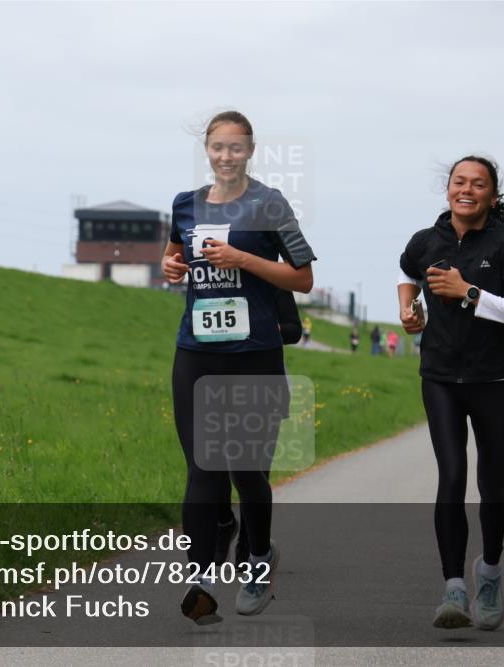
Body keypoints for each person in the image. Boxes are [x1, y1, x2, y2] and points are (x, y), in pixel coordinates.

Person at [162, 111, 316, 624]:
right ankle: (202, 580)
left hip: (254, 354)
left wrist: (242, 259)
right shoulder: (185, 204)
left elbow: (302, 279)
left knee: (248, 472)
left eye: (235, 148)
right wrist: (170, 267)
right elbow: (173, 256)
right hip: (196, 352)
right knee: (203, 467)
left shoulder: (270, 203)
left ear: (250, 151)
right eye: (217, 147)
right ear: (206, 151)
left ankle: (258, 558)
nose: (225, 156)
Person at [397, 155, 504, 631]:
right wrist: (409, 309)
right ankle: (454, 588)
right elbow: (406, 271)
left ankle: (491, 573)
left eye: (478, 184)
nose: (467, 189)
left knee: (492, 484)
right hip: (440, 376)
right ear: (448, 190)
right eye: (459, 181)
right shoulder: (426, 241)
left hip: (495, 380)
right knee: (452, 476)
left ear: (493, 197)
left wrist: (468, 291)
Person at [216, 289, 301, 567]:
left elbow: (294, 330)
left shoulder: (273, 279)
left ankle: (249, 545)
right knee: (216, 461)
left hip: (267, 381)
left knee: (257, 468)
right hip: (220, 382)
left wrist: (268, 328)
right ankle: (224, 522)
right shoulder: (217, 282)